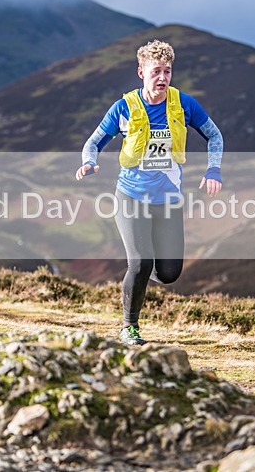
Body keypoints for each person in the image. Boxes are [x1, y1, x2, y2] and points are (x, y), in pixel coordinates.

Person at [75, 40, 223, 346]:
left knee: (169, 274)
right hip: (130, 196)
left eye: (167, 71)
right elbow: (93, 142)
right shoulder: (124, 108)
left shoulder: (184, 105)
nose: (163, 77)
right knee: (141, 263)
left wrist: (213, 170)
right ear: (141, 72)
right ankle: (129, 327)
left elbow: (214, 134)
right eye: (156, 71)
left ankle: (140, 271)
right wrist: (89, 162)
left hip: (167, 201)